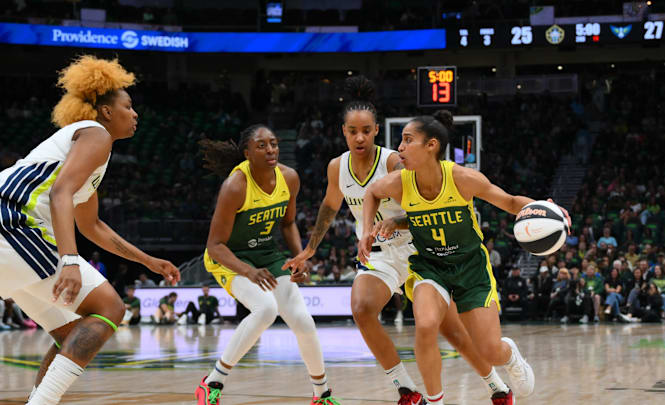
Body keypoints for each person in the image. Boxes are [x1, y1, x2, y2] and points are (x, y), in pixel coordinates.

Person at [283, 77, 513, 405]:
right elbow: (329, 207)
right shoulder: (337, 167)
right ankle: (406, 388)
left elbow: (429, 209)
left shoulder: (396, 161)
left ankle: (497, 386)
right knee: (361, 308)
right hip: (382, 254)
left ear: (377, 130)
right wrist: (309, 249)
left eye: (366, 130)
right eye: (352, 131)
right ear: (343, 132)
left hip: (419, 249)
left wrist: (396, 220)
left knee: (453, 334)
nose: (359, 137)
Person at [0, 55, 179, 405]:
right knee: (110, 308)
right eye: (129, 106)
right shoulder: (96, 134)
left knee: (70, 333)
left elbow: (92, 226)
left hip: (13, 239)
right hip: (12, 225)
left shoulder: (86, 152)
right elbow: (60, 193)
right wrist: (69, 259)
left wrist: (147, 261)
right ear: (108, 112)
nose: (135, 113)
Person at [359, 111, 568, 404]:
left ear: (431, 145)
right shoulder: (400, 181)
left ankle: (509, 355)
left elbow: (508, 201)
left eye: (408, 141)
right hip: (430, 266)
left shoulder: (462, 178)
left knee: (489, 350)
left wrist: (545, 208)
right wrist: (366, 231)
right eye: (400, 142)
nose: (400, 149)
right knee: (426, 324)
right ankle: (435, 401)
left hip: (471, 268)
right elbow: (371, 193)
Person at [194, 124, 341, 405]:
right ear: (247, 153)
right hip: (230, 258)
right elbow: (215, 245)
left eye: (273, 143)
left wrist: (300, 257)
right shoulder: (235, 186)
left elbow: (287, 224)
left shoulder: (289, 178)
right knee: (266, 309)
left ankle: (321, 395)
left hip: (265, 253)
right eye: (262, 145)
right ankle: (212, 381)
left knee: (303, 321)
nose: (271, 149)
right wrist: (248, 271)